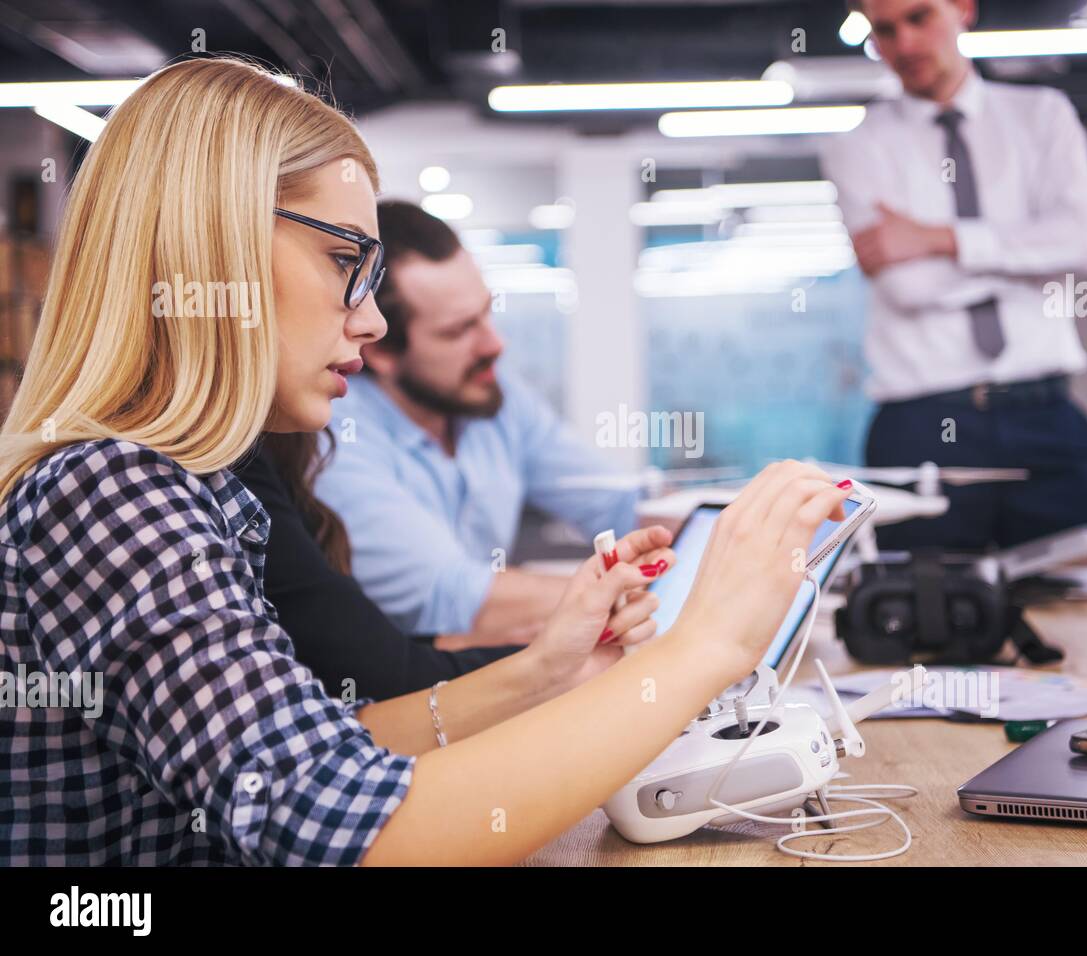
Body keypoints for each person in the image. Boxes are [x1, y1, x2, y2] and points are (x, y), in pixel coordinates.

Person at [0, 57, 851, 866]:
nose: (371, 323)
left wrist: (546, 671)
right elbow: (341, 830)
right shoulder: (109, 490)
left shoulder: (198, 486)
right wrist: (704, 645)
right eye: (346, 263)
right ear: (209, 250)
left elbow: (328, 745)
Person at [820, 0, 1087, 551]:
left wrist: (937, 239)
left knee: (1079, 594)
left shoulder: (1042, 116)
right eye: (884, 30)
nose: (903, 44)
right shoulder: (856, 147)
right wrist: (1027, 255)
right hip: (923, 425)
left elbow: (1081, 245)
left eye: (919, 17)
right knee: (926, 613)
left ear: (963, 9)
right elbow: (908, 288)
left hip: (1042, 417)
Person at [315, 200, 638, 645]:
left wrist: (730, 525)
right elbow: (453, 597)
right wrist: (649, 598)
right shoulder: (335, 432)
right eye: (458, 330)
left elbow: (617, 503)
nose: (494, 344)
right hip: (401, 697)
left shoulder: (490, 395)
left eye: (487, 313)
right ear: (381, 350)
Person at [232, 432, 519, 701]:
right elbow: (378, 674)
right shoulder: (236, 467)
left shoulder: (273, 457)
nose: (355, 374)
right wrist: (538, 663)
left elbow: (366, 646)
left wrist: (524, 650)